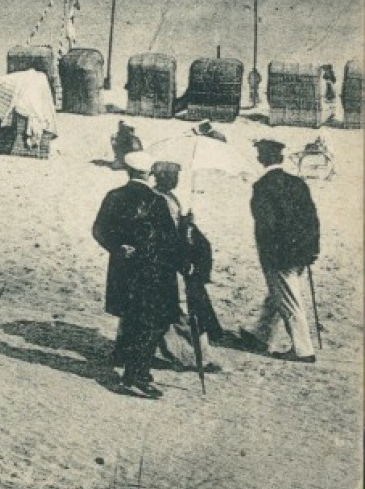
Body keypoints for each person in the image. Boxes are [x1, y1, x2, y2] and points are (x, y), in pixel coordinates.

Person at [91, 151, 181, 398]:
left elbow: (98, 230)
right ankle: (136, 375)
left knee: (131, 319)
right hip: (151, 271)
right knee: (151, 323)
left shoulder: (114, 196)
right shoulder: (157, 201)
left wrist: (118, 247)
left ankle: (132, 368)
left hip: (122, 270)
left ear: (129, 171)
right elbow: (169, 241)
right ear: (148, 173)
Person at [239, 139, 321, 362]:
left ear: (260, 159)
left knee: (289, 300)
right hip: (302, 251)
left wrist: (269, 255)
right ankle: (261, 334)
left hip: (278, 255)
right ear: (282, 159)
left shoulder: (262, 186)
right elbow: (312, 219)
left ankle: (303, 350)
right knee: (277, 295)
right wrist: (312, 249)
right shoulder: (298, 183)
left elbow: (265, 226)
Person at [152, 161, 225, 373]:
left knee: (173, 309)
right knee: (181, 309)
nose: (176, 180)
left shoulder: (170, 198)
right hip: (170, 262)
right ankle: (194, 356)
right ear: (162, 177)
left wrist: (186, 221)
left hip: (173, 260)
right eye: (172, 176)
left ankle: (187, 354)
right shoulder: (159, 199)